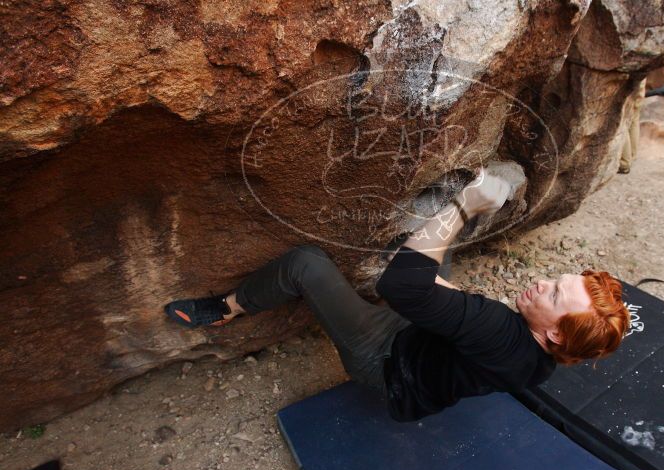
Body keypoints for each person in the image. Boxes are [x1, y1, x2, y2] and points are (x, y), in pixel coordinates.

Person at [164, 168, 630, 421]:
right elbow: (453, 311)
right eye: (556, 280)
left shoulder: (496, 328)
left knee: (305, 262)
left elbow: (398, 287)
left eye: (551, 296)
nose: (540, 284)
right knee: (433, 257)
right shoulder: (544, 361)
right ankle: (440, 220)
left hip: (385, 362)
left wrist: (466, 205)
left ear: (554, 336)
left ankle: (225, 309)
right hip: (425, 342)